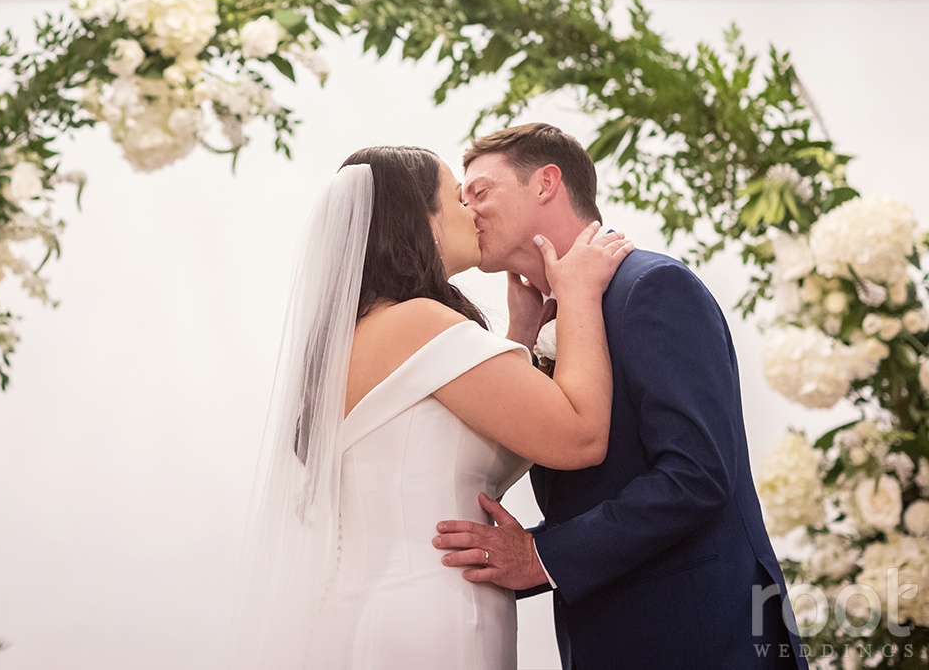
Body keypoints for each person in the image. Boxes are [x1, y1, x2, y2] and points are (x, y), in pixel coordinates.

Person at [235, 145, 633, 670]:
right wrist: (577, 293)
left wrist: (520, 336)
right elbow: (579, 436)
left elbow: (466, 450)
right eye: (456, 197)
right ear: (423, 222)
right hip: (433, 613)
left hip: (374, 607)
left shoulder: (361, 333)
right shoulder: (417, 322)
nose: (471, 210)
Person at [433, 123, 807, 669]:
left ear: (546, 183)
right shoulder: (545, 320)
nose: (468, 211)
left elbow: (697, 475)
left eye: (480, 192)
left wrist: (541, 555)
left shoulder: (651, 287)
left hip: (701, 638)